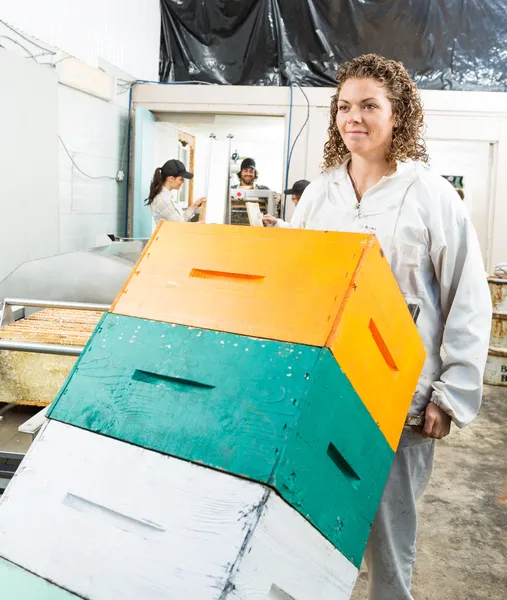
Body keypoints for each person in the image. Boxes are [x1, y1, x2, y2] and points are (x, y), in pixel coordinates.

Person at [271, 54, 492, 600]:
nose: (355, 118)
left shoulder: (431, 195)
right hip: (327, 388)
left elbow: (468, 296)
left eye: (370, 105)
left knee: (390, 541)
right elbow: (298, 286)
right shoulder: (320, 195)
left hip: (402, 394)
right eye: (345, 106)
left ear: (399, 115)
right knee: (313, 522)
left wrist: (452, 391)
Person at [145, 159, 205, 224]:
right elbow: (180, 226)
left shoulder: (167, 196)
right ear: (171, 178)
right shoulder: (163, 199)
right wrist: (201, 223)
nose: (183, 182)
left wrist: (194, 206)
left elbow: (180, 220)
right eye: (181, 179)